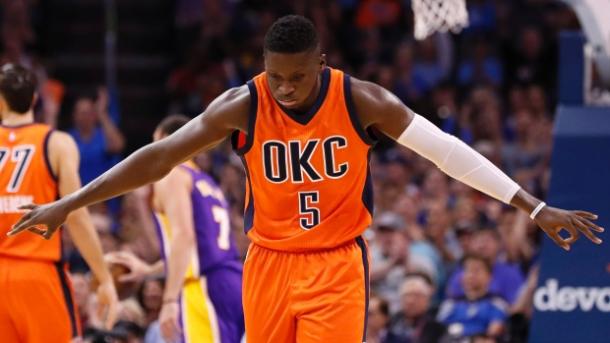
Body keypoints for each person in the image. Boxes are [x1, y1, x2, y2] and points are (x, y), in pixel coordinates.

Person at [8, 15, 604, 343]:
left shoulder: (364, 101)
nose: (285, 88)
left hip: (335, 263)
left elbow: (448, 153)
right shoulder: (242, 104)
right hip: (266, 262)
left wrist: (531, 205)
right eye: (275, 76)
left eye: (295, 77)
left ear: (320, 63)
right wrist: (72, 201)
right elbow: (158, 156)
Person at [0, 63, 118, 342]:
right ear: (34, 99)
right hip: (40, 273)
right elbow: (75, 216)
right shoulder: (57, 143)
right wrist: (103, 277)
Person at [108, 114, 245, 343]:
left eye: (155, 142)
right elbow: (199, 250)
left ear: (168, 140)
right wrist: (150, 271)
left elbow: (184, 237)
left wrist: (170, 300)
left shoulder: (173, 175)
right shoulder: (205, 181)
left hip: (203, 288)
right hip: (231, 281)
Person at [437, 254, 508, 339]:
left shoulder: (497, 303)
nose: (470, 275)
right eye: (467, 270)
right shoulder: (450, 303)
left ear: (489, 277)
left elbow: (493, 332)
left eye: (476, 270)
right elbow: (438, 331)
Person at [388, 273, 446, 343]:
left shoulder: (436, 328)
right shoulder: (392, 322)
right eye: (406, 295)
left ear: (427, 300)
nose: (410, 301)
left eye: (416, 296)